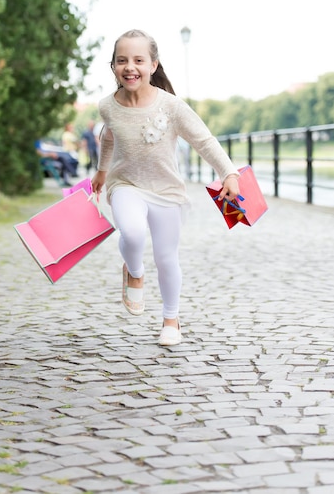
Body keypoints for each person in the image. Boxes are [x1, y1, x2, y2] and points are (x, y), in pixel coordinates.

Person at [91, 29, 240, 347]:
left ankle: (171, 319)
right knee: (131, 233)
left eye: (138, 60)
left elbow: (204, 140)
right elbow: (108, 138)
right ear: (113, 67)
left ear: (153, 65)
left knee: (167, 256)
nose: (130, 67)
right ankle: (134, 271)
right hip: (125, 184)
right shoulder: (108, 106)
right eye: (122, 60)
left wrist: (229, 172)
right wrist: (102, 172)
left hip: (166, 191)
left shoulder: (172, 107)